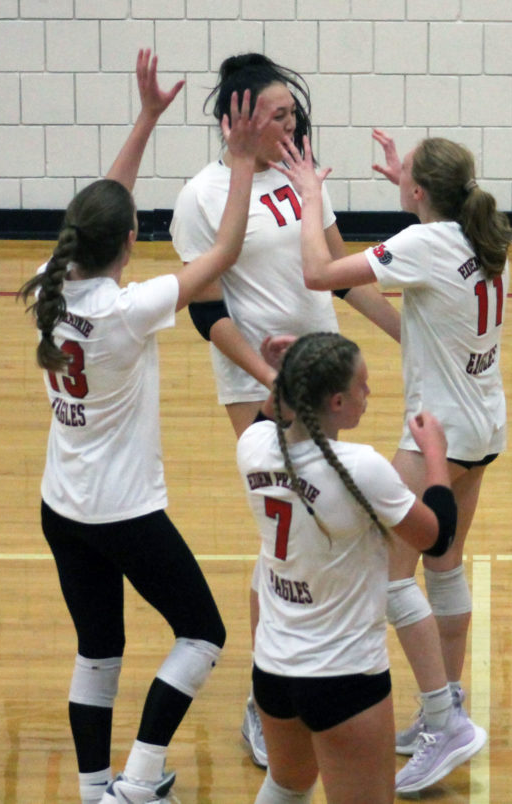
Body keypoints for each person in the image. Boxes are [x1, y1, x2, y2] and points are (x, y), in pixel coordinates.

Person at [17, 50, 269, 804]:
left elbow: (99, 209)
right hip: (124, 512)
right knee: (202, 636)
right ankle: (137, 776)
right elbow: (221, 254)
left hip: (62, 508)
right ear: (130, 243)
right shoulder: (124, 312)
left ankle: (97, 793)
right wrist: (242, 160)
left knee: (99, 651)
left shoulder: (49, 284)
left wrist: (149, 117)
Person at [170, 53, 402, 769]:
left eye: (292, 112)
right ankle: (264, 697)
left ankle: (309, 673)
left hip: (322, 373)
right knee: (284, 534)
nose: (290, 122)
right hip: (259, 382)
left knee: (325, 529)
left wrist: (409, 335)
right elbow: (206, 313)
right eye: (277, 113)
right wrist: (271, 376)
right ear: (234, 120)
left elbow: (338, 274)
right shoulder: (202, 197)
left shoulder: (302, 180)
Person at [271, 129, 512, 793]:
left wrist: (312, 198)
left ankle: (443, 718)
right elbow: (405, 320)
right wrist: (406, 192)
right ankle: (449, 706)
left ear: (421, 191)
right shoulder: (484, 236)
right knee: (445, 565)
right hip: (484, 424)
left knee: (391, 576)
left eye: (405, 174)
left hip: (439, 430)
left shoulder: (423, 246)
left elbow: (319, 274)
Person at [237, 332, 459, 804]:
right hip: (345, 680)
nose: (369, 394)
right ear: (336, 401)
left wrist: (291, 371)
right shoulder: (360, 468)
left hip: (273, 674)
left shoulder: (252, 446)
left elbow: (270, 415)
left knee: (286, 787)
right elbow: (437, 536)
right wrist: (436, 456)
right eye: (362, 386)